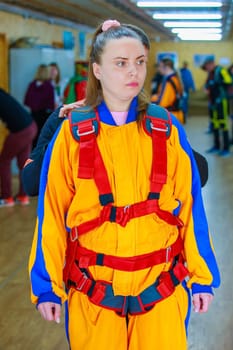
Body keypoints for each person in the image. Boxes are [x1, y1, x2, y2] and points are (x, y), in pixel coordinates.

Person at [28, 20, 220, 350]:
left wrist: (203, 279)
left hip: (161, 289)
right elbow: (52, 215)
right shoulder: (71, 135)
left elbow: (192, 209)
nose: (133, 72)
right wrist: (46, 286)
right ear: (97, 69)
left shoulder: (166, 128)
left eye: (140, 62)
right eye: (120, 63)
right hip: (93, 293)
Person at [0, 88, 37, 207]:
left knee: (4, 161)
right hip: (31, 126)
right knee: (23, 163)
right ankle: (23, 196)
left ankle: (7, 198)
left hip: (21, 131)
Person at [201, 56, 232, 157]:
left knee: (223, 125)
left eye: (207, 65)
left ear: (212, 63)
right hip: (213, 102)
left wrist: (216, 83)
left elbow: (229, 81)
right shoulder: (210, 73)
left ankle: (226, 149)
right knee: (215, 125)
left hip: (221, 101)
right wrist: (206, 87)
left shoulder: (221, 70)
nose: (207, 68)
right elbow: (207, 85)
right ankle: (216, 146)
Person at [24, 63, 55, 147]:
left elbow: (26, 101)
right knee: (43, 139)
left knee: (33, 139)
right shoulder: (49, 86)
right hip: (45, 116)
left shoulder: (32, 85)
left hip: (33, 115)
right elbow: (51, 104)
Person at [151, 57, 185, 124]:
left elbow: (163, 102)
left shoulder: (168, 81)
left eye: (160, 66)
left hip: (169, 117)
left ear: (166, 67)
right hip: (176, 114)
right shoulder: (175, 78)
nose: (159, 69)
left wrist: (150, 99)